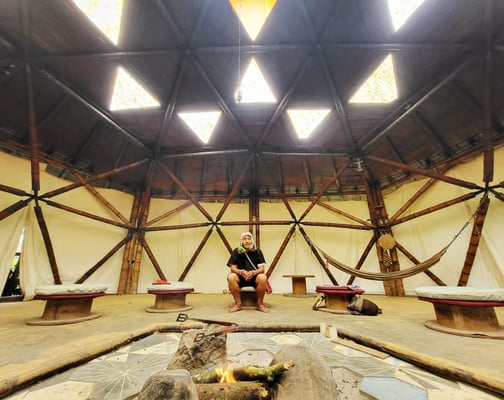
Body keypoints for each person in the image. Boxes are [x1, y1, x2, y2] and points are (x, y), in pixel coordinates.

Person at [227, 232, 269, 313]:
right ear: (241, 241)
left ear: (252, 241)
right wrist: (241, 272)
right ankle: (238, 304)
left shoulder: (257, 251)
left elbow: (262, 269)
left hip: (254, 278)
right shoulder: (236, 251)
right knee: (231, 276)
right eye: (244, 239)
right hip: (240, 278)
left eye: (249, 239)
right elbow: (233, 268)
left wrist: (254, 272)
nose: (246, 241)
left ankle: (260, 304)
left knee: (263, 277)